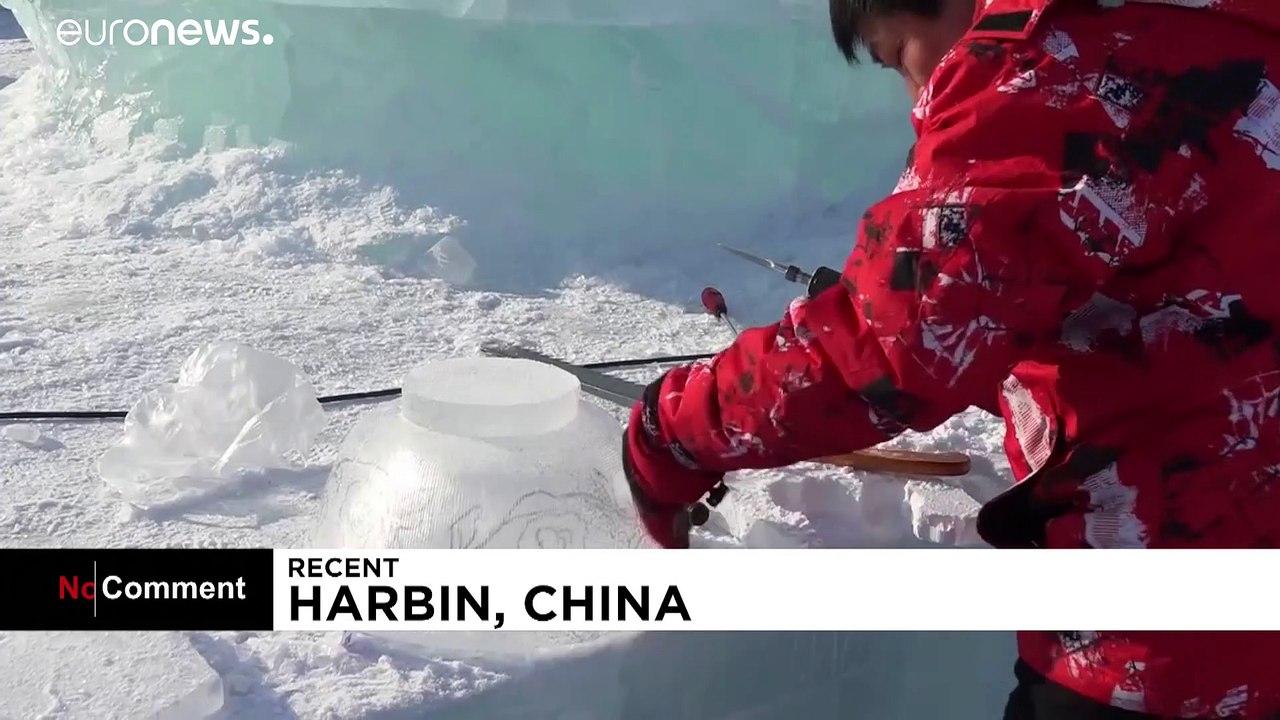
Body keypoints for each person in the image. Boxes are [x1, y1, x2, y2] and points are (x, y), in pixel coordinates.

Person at [620, 0, 1280, 717]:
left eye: (898, 56)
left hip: (1176, 638)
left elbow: (891, 349)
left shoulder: (1049, 64)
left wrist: (673, 430)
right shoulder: (1231, 33)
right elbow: (1205, 313)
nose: (916, 97)